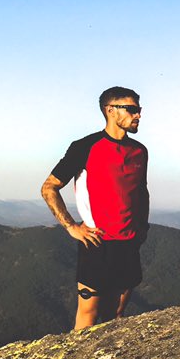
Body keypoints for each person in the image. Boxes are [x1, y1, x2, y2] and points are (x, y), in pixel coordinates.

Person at [41, 86, 149, 328]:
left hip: (130, 242)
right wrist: (71, 226)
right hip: (96, 242)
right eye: (132, 110)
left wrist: (143, 228)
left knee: (116, 315)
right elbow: (49, 188)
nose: (138, 115)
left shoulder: (140, 151)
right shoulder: (85, 147)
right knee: (88, 315)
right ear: (110, 111)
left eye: (139, 110)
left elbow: (141, 191)